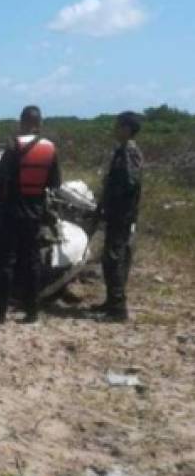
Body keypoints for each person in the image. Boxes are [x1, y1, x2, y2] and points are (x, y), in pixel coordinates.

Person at [0, 105, 61, 324]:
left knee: (4, 260)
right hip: (35, 212)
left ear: (22, 122)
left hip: (12, 210)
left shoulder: (14, 146)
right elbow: (54, 182)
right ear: (40, 123)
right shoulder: (50, 149)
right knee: (31, 261)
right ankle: (32, 311)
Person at [92, 111, 143, 322]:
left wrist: (112, 201)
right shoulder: (122, 150)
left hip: (121, 215)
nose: (115, 129)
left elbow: (129, 183)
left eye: (118, 125)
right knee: (109, 257)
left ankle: (118, 308)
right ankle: (111, 301)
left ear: (127, 129)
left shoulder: (129, 152)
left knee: (115, 258)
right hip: (116, 213)